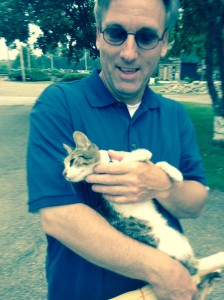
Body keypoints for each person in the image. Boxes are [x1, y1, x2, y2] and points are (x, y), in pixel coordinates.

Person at [27, 0, 208, 299]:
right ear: (98, 35)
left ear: (165, 43)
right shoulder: (58, 103)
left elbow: (197, 202)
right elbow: (58, 216)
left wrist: (159, 184)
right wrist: (163, 270)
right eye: (116, 33)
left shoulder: (176, 115)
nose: (128, 52)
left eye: (147, 37)